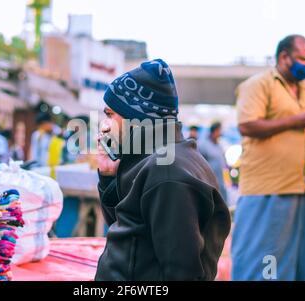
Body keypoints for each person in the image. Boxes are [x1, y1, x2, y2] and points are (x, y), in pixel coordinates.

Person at [95, 59, 231, 280]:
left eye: (110, 114)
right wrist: (109, 179)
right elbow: (126, 232)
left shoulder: (167, 173)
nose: (104, 124)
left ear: (136, 117)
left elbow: (182, 273)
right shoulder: (153, 159)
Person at [232, 35, 305, 280]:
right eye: (303, 58)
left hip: (300, 188)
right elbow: (247, 126)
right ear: (284, 57)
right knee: (261, 263)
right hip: (267, 190)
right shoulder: (259, 85)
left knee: (302, 264)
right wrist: (296, 121)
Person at [198, 122, 228, 202]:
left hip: (221, 182)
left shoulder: (219, 146)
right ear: (214, 131)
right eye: (219, 130)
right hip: (209, 182)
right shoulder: (203, 145)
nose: (220, 133)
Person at [30, 112, 65, 178]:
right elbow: (34, 153)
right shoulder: (37, 135)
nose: (40, 128)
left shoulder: (59, 133)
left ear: (46, 123)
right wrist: (33, 169)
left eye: (41, 126)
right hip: (43, 171)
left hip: (58, 170)